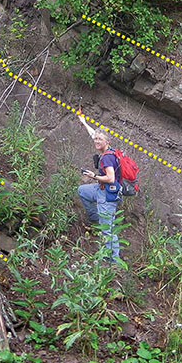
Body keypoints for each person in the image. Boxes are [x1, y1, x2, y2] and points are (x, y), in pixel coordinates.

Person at [76, 111, 122, 262]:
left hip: (107, 195)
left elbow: (110, 178)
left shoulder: (107, 157)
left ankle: (113, 261)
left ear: (107, 141)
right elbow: (94, 134)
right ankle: (95, 218)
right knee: (82, 191)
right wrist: (84, 123)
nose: (96, 141)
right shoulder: (109, 149)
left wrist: (93, 176)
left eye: (99, 139)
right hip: (99, 189)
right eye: (95, 139)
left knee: (107, 230)